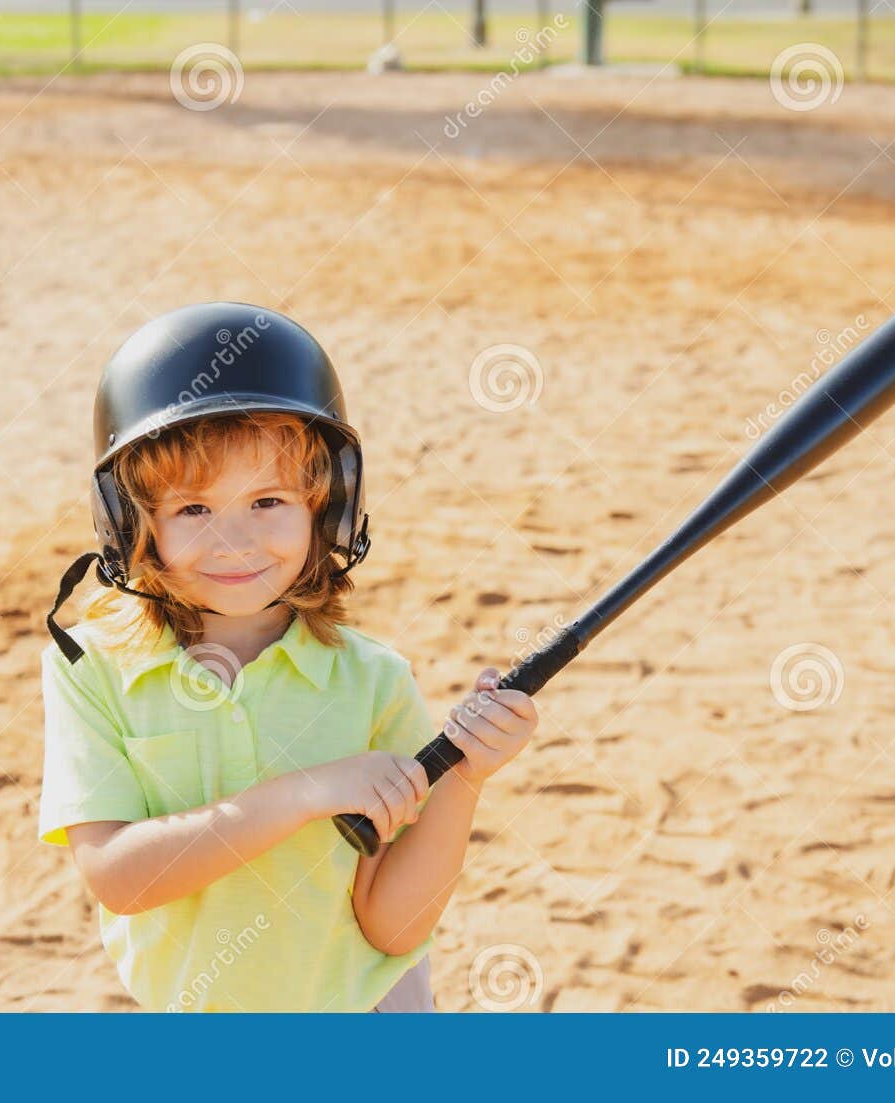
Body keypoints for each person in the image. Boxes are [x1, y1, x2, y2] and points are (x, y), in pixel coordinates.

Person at [37, 302, 538, 1012]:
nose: (235, 541)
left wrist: (464, 777)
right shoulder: (91, 668)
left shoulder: (371, 679)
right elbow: (123, 879)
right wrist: (306, 792)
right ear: (128, 524)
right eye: (193, 510)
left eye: (268, 500)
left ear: (325, 509)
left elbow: (392, 927)